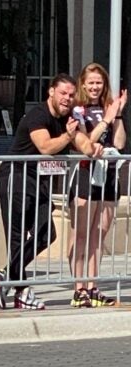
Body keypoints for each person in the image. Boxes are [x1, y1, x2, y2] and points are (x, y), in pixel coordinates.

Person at [0, 73, 103, 310]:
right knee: (18, 238)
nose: (67, 99)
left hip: (40, 184)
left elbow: (83, 144)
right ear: (51, 92)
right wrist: (68, 136)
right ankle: (20, 293)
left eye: (71, 95)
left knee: (46, 234)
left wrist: (93, 146)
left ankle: (4, 277)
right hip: (17, 178)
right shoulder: (37, 116)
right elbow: (45, 147)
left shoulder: (69, 118)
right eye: (63, 93)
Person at [67, 63, 127, 308]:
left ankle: (93, 287)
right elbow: (87, 142)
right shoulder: (78, 109)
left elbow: (120, 144)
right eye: (90, 82)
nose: (94, 87)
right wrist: (106, 121)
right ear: (83, 83)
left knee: (99, 234)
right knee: (81, 234)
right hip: (85, 174)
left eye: (98, 83)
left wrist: (118, 114)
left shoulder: (109, 109)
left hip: (110, 175)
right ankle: (78, 288)